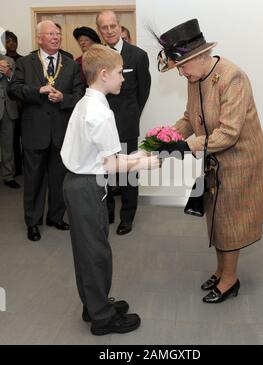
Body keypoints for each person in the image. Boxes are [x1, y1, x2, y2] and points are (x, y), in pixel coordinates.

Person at [153, 19, 263, 303]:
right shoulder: (197, 78)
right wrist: (165, 137)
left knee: (230, 221)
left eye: (182, 67)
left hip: (239, 160)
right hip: (213, 157)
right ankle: (221, 272)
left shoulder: (232, 77)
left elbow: (229, 133)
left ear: (200, 56)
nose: (181, 73)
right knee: (217, 217)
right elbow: (189, 118)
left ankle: (230, 280)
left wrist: (184, 146)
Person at [61, 44, 159, 335]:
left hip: (80, 182)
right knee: (96, 254)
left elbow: (104, 159)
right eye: (119, 73)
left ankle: (94, 304)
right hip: (87, 187)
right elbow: (111, 164)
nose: (124, 79)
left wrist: (138, 156)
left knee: (89, 250)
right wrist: (146, 164)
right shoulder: (101, 114)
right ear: (104, 75)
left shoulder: (87, 102)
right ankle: (102, 318)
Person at [9, 20, 84, 242]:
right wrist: (37, 90)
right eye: (50, 33)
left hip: (61, 131)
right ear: (39, 38)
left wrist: (64, 98)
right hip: (35, 131)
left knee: (59, 179)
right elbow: (13, 89)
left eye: (58, 34)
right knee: (33, 180)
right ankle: (32, 222)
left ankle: (55, 217)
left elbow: (80, 95)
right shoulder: (25, 62)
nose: (55, 37)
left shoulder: (70, 64)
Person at [96, 10, 151, 235]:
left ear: (119, 27)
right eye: (104, 28)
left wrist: (131, 115)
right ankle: (107, 212)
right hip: (101, 125)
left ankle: (127, 217)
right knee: (104, 172)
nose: (109, 31)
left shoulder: (137, 55)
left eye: (113, 26)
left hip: (127, 124)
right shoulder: (95, 55)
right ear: (100, 30)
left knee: (128, 173)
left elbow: (143, 92)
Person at [5, 31, 23, 177]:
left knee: (17, 139)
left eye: (14, 41)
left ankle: (17, 169)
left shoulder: (23, 60)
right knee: (10, 140)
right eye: (8, 41)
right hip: (7, 106)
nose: (12, 44)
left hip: (20, 106)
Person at [0, 54, 20, 188]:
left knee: (8, 145)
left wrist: (9, 73)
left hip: (7, 109)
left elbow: (17, 83)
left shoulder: (9, 61)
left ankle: (8, 176)